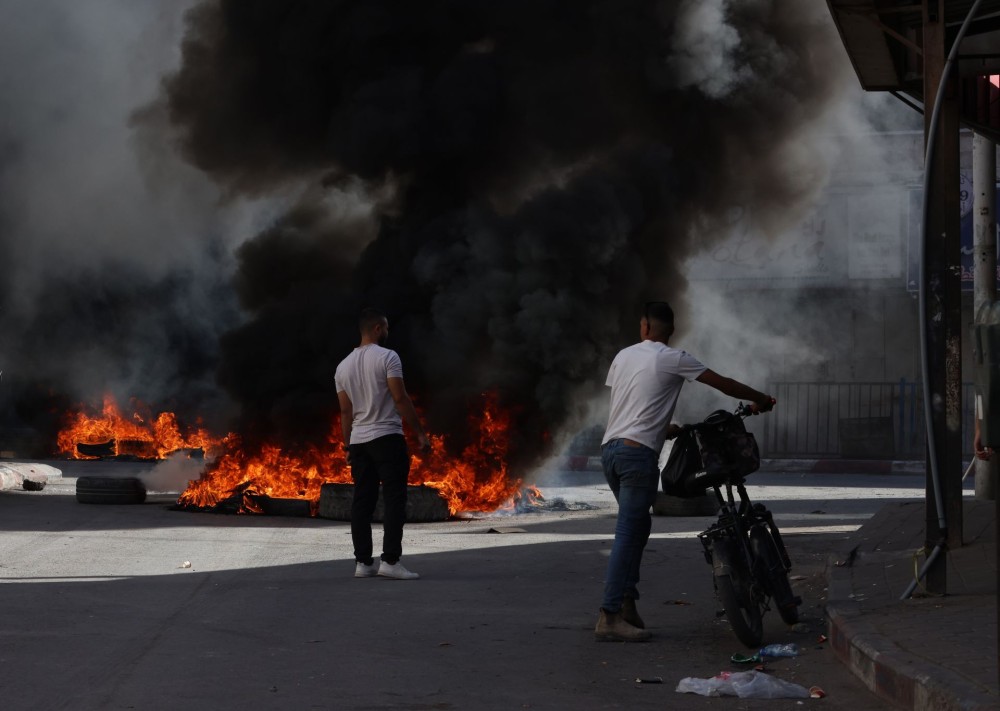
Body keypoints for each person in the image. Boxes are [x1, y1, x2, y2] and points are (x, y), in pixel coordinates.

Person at [595, 301, 775, 642]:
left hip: (611, 452)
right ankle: (609, 615)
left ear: (645, 327)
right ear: (671, 331)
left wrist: (665, 429)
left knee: (637, 528)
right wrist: (761, 398)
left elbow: (633, 404)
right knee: (627, 533)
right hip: (637, 457)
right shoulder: (675, 358)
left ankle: (628, 605)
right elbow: (725, 385)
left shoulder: (623, 356)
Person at [335, 307, 431, 580]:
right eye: (386, 327)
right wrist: (420, 433)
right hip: (387, 437)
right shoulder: (388, 357)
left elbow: (345, 412)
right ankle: (390, 560)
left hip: (359, 441)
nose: (388, 332)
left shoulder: (342, 367)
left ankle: (363, 563)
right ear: (377, 328)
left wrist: (347, 446)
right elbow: (400, 398)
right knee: (394, 500)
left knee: (362, 502)